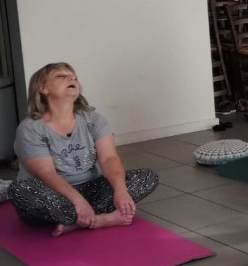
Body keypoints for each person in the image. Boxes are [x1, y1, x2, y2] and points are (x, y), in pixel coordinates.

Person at [8, 63, 159, 235]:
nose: (72, 79)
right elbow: (46, 173)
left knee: (147, 176)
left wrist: (120, 191)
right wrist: (78, 202)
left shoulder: (94, 120)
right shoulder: (31, 129)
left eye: (73, 77)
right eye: (61, 76)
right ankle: (97, 217)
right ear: (43, 88)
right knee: (19, 189)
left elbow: (108, 158)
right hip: (52, 192)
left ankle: (84, 221)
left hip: (90, 188)